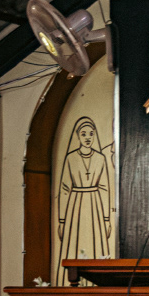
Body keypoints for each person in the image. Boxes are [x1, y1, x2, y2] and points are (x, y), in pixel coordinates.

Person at [56, 116, 111, 284]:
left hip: (95, 206)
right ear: (78, 136)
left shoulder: (100, 158)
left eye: (91, 134)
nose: (88, 138)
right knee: (75, 244)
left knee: (96, 246)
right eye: (84, 134)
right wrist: (62, 220)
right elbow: (65, 189)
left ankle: (96, 284)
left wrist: (106, 219)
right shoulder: (71, 158)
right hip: (75, 206)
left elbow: (104, 188)